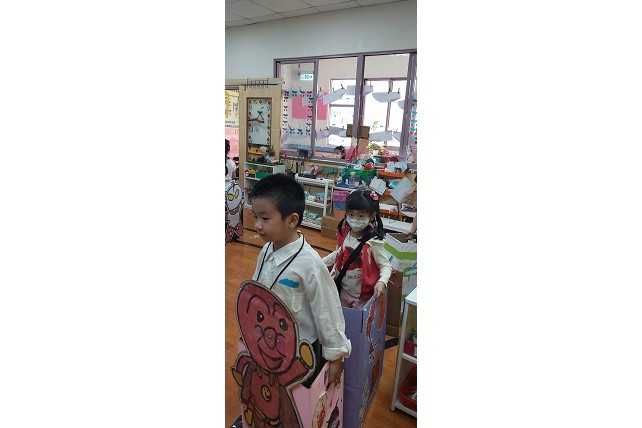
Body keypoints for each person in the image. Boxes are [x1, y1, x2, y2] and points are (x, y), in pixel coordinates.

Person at [250, 173, 351, 386]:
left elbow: (327, 311)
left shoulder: (311, 264)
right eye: (255, 216)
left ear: (292, 220)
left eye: (265, 218)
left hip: (300, 352)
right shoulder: (266, 250)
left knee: (296, 398)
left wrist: (335, 356)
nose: (257, 225)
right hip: (268, 342)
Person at [323, 190, 393, 309]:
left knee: (356, 320)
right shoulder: (344, 233)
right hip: (342, 290)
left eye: (360, 215)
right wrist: (321, 262)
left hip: (361, 297)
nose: (355, 219)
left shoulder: (373, 242)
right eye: (351, 214)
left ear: (371, 216)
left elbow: (385, 265)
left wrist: (382, 281)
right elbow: (340, 253)